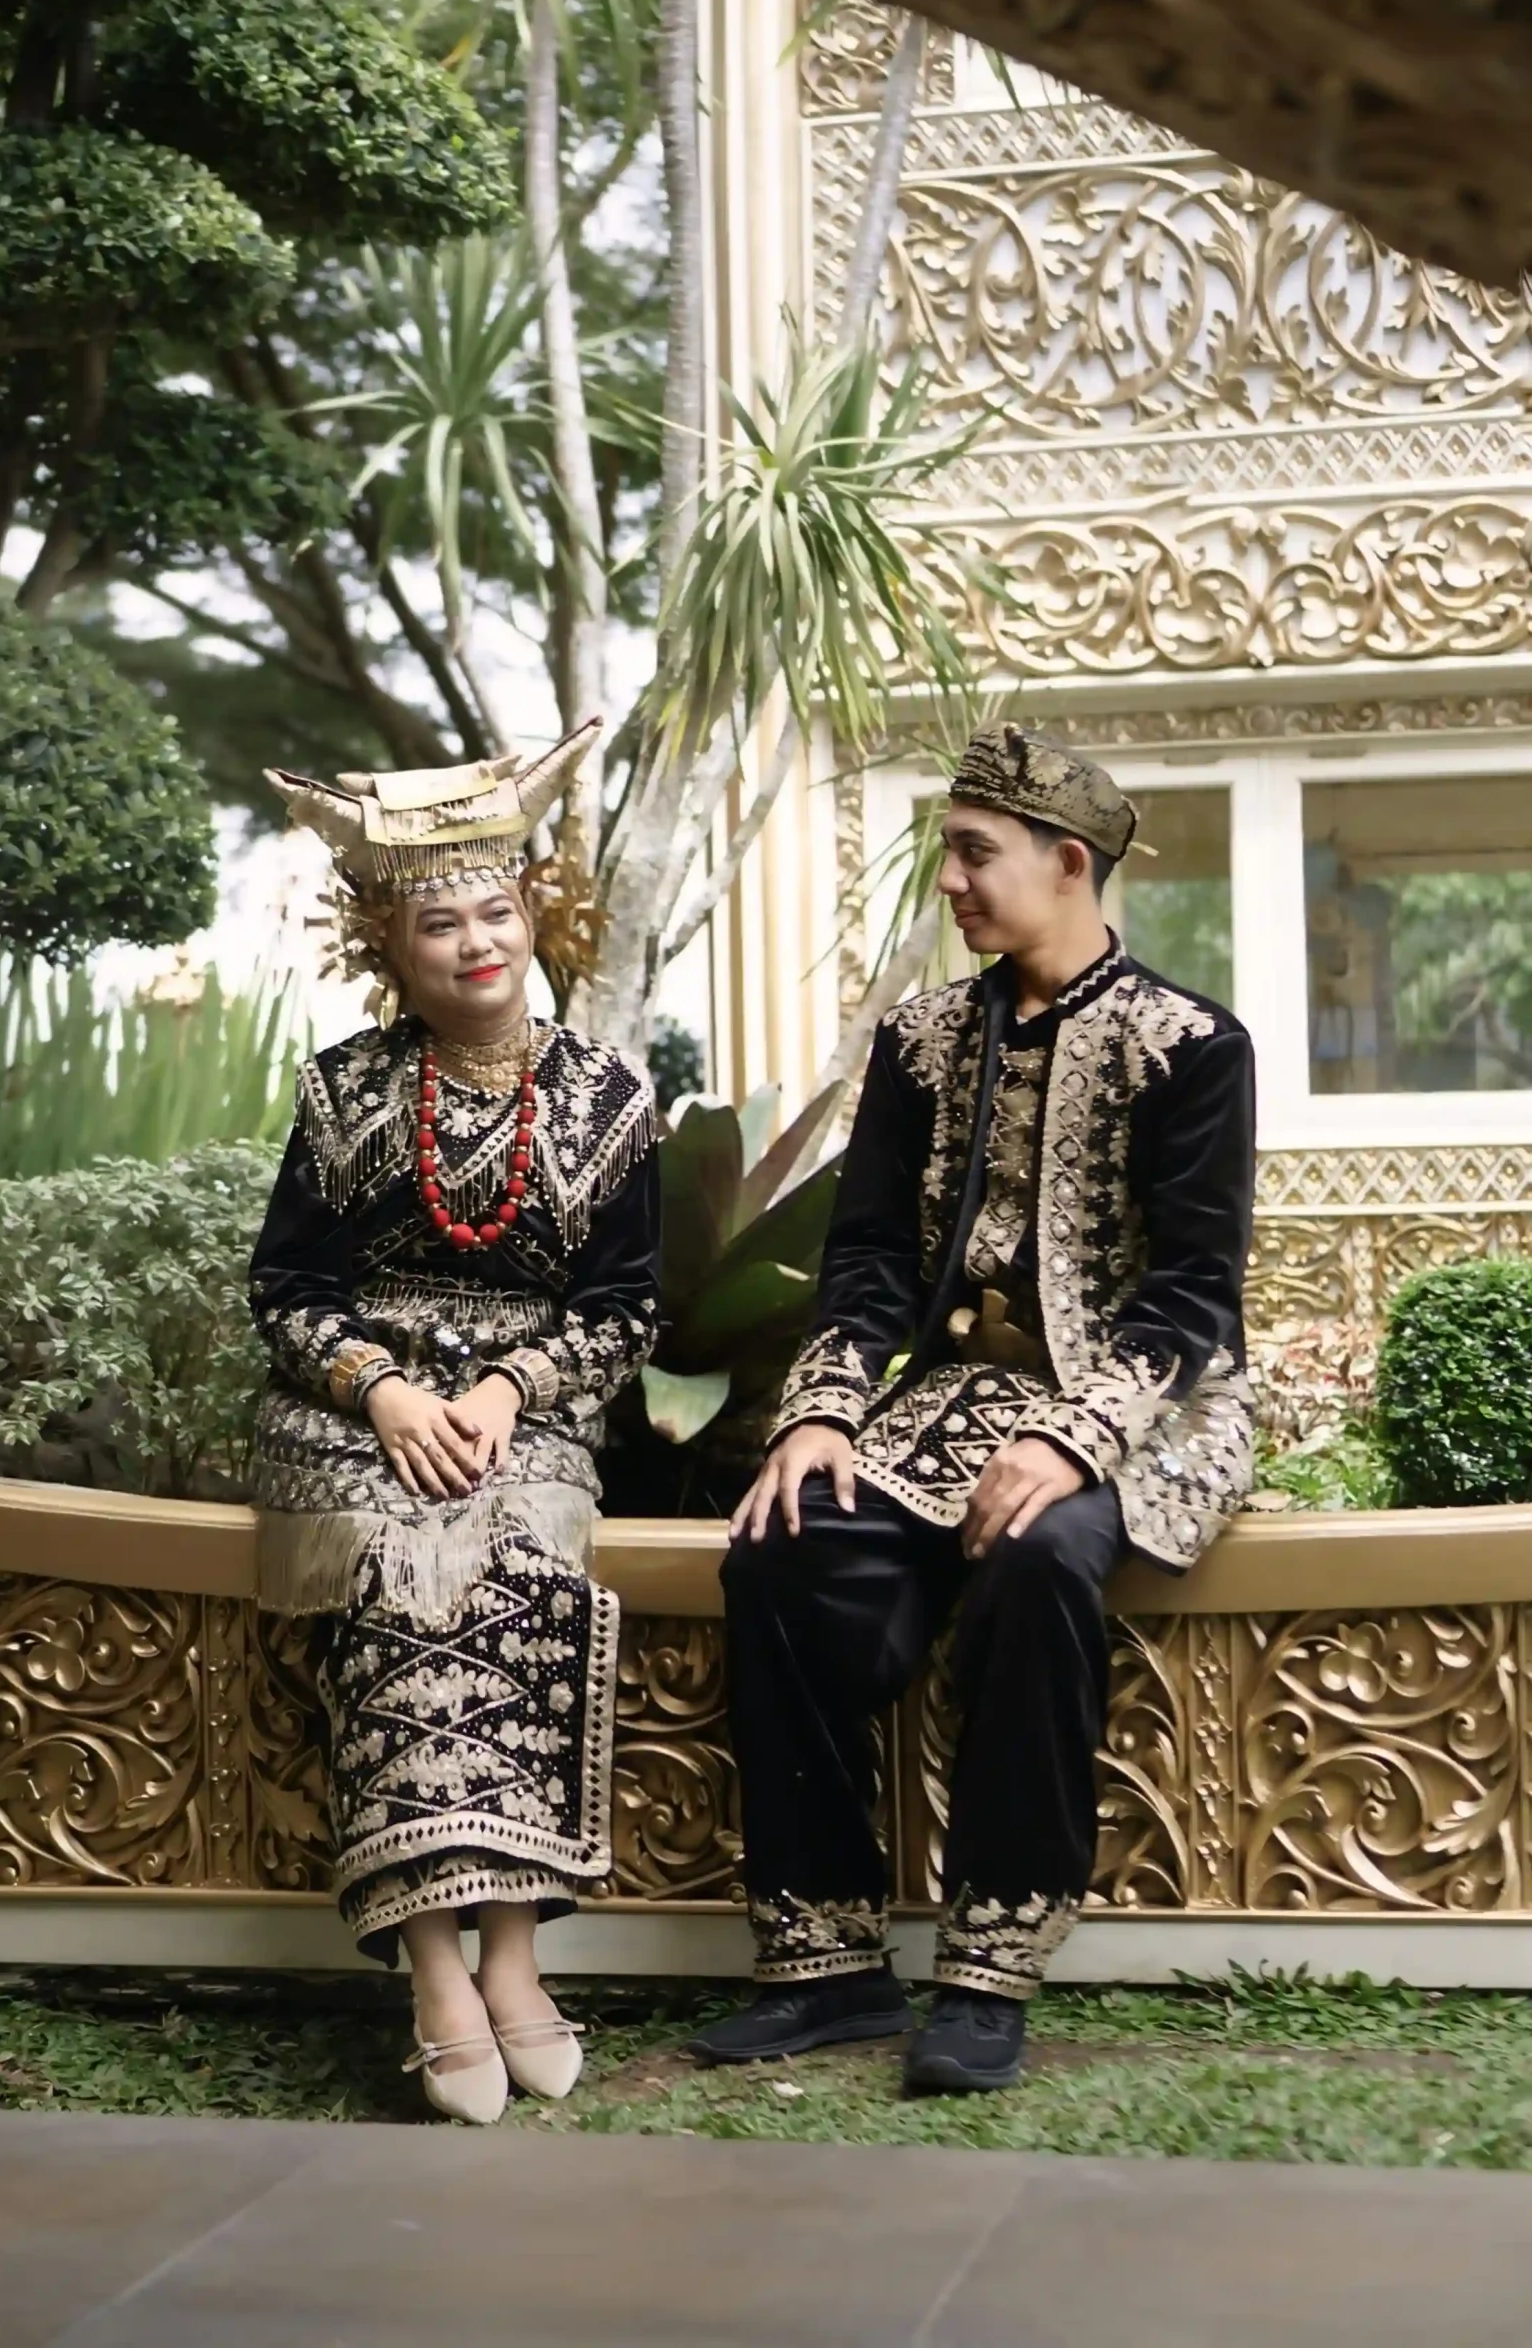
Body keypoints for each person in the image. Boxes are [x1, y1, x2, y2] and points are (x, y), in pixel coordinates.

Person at [687, 721, 1255, 2096]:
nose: (948, 882)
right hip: (945, 1401)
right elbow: (870, 1255)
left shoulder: (1191, 1045)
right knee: (779, 1546)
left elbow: (1194, 1292)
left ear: (1068, 864)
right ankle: (825, 1964)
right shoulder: (922, 1040)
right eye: (948, 852)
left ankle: (989, 1970)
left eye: (971, 854)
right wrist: (822, 1411)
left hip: (1147, 1409)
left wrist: (1071, 1438)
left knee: (1040, 1560)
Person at [247, 722, 660, 2126]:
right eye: (441, 924)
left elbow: (625, 1309)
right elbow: (287, 1291)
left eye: (496, 912)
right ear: (393, 944)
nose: (477, 943)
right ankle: (434, 1973)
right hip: (354, 1406)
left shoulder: (608, 1096)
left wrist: (503, 1392)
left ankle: (514, 1958)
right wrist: (381, 1389)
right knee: (393, 1581)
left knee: (521, 1566)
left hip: (520, 1406)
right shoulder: (344, 1089)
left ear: (535, 915)